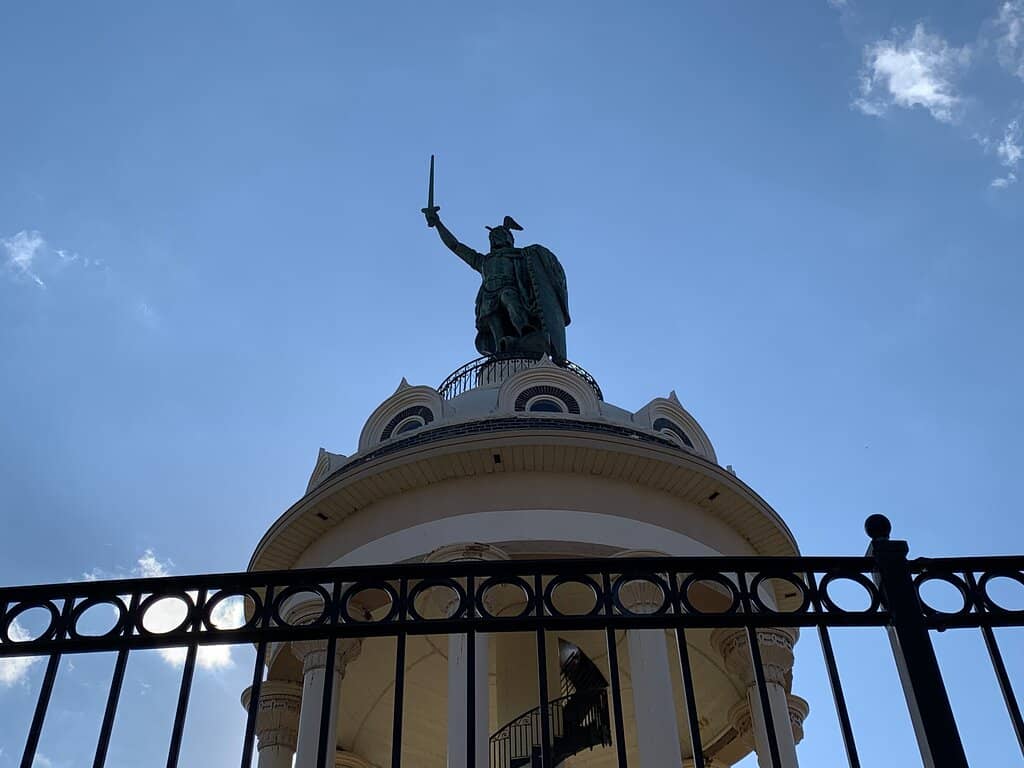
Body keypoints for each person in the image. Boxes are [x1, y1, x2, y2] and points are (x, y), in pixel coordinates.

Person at [424, 209, 571, 362]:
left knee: (509, 298)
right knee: (492, 318)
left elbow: (534, 271)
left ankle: (526, 331)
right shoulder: (483, 261)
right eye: (493, 237)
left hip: (510, 289)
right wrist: (438, 223)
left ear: (509, 239)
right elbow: (455, 246)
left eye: (500, 235)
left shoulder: (520, 255)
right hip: (488, 295)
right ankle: (500, 350)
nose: (496, 239)